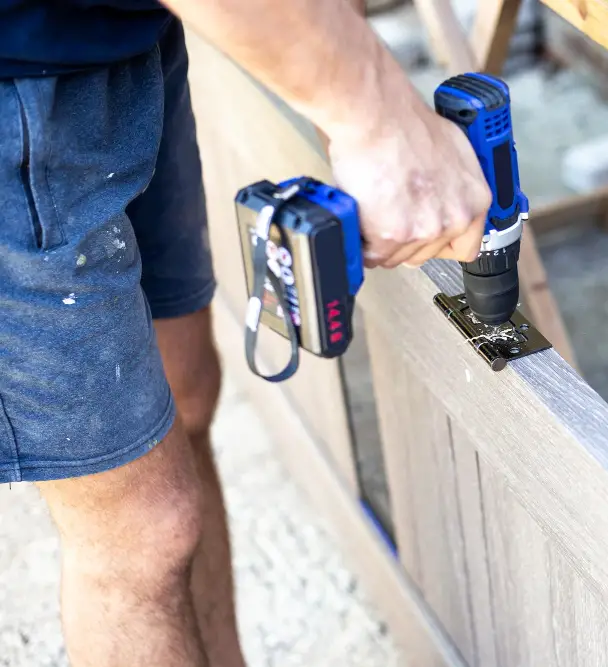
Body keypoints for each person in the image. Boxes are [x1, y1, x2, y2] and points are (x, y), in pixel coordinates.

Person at [0, 0, 492, 664]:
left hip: (122, 36)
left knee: (188, 392)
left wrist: (337, 71)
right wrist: (373, 113)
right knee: (139, 533)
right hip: (12, 87)